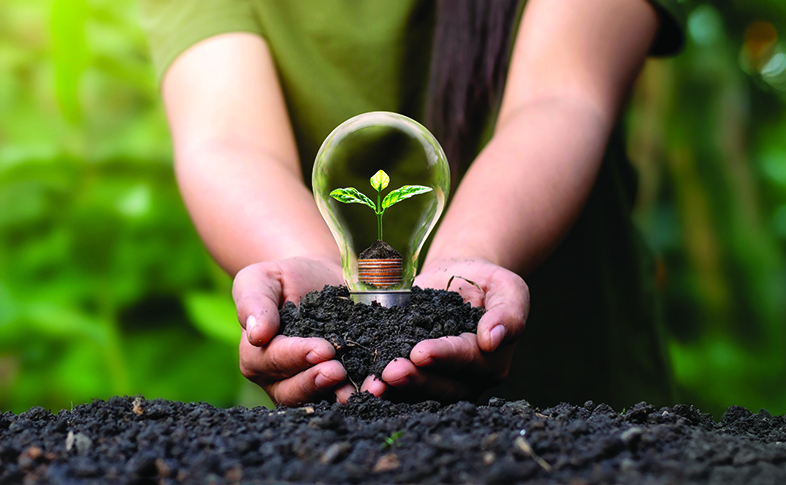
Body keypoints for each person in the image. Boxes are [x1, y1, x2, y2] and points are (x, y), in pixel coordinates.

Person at [141, 0, 684, 410]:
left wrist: (470, 257)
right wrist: (318, 280)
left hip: (579, 405)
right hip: (336, 431)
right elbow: (228, 139)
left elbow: (562, 96)